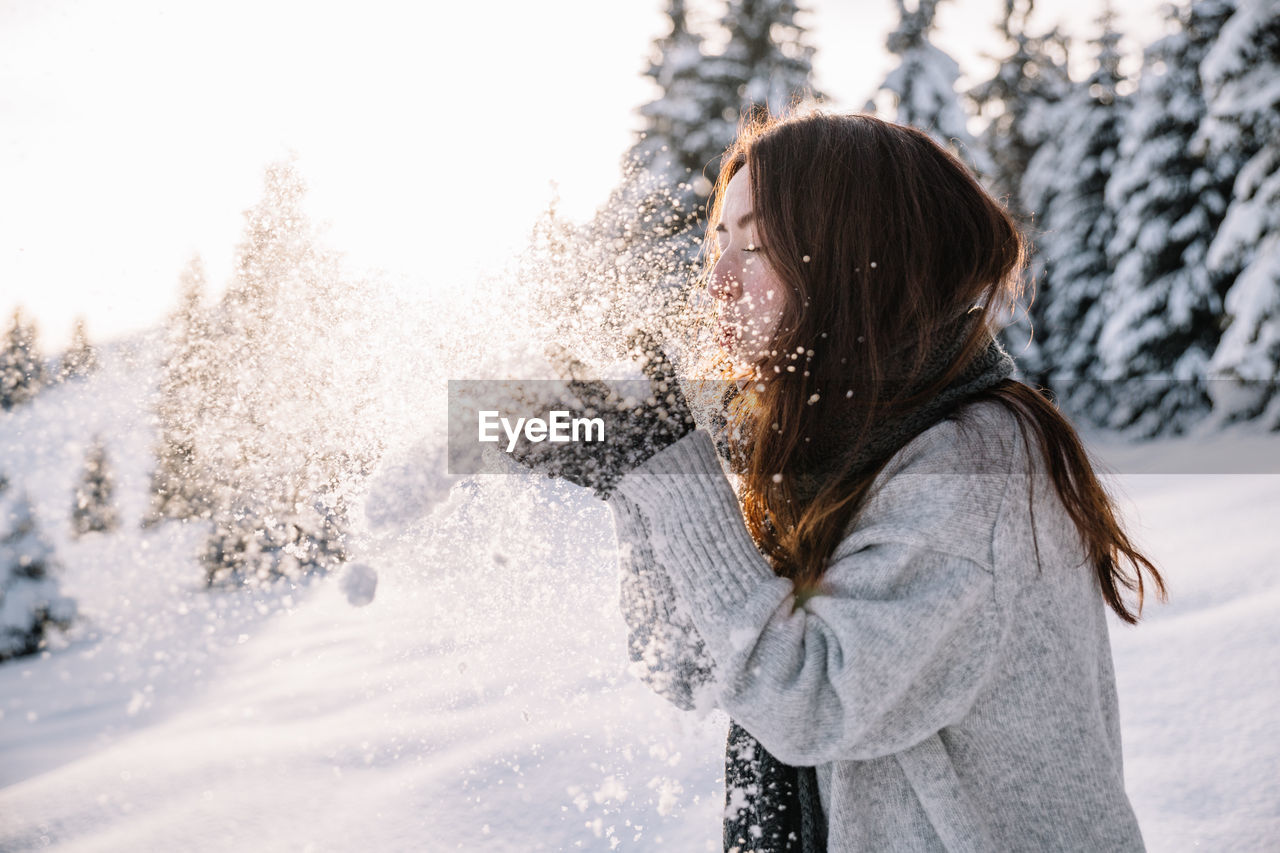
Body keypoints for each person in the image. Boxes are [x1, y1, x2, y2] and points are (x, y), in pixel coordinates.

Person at [510, 111, 1166, 852]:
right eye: (718, 241)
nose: (718, 280)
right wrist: (633, 481)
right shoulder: (837, 445)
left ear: (859, 266)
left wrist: (672, 477)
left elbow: (806, 700)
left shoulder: (970, 469)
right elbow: (697, 666)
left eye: (756, 247)